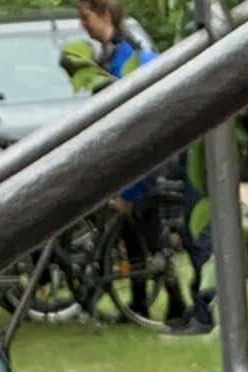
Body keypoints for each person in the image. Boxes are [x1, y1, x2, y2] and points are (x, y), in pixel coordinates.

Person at [74, 0, 205, 327]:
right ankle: (156, 305)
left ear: (104, 15)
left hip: (165, 160)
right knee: (145, 237)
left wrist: (130, 193)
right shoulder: (113, 55)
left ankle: (190, 309)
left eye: (85, 17)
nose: (82, 25)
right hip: (151, 160)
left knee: (173, 236)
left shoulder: (129, 61)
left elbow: (141, 137)